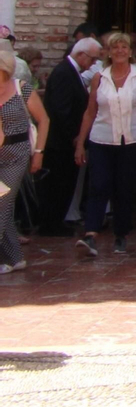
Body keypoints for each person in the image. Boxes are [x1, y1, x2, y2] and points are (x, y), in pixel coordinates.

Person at [74, 31, 136, 257]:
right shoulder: (99, 77)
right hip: (102, 139)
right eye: (115, 47)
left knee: (124, 188)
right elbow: (90, 111)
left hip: (132, 140)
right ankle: (91, 233)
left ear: (130, 51)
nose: (120, 51)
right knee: (98, 185)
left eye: (124, 47)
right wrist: (81, 142)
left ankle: (121, 233)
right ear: (109, 52)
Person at [37, 37, 96, 235]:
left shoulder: (71, 72)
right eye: (92, 59)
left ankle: (56, 221)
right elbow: (61, 110)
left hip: (64, 140)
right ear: (81, 55)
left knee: (64, 183)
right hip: (59, 142)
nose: (93, 64)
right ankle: (51, 224)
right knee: (57, 184)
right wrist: (75, 136)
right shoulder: (64, 72)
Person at [0, 45, 48, 273]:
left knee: (1, 202)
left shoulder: (22, 89)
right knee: (5, 206)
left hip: (15, 155)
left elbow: (44, 120)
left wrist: (38, 153)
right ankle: (14, 258)